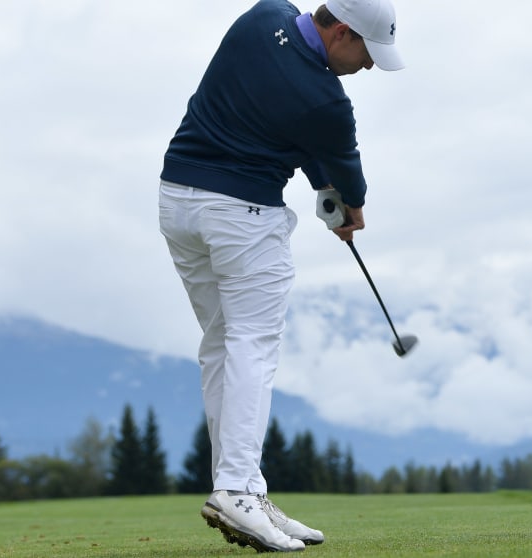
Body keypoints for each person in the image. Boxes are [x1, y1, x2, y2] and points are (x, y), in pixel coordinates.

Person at [158, 0, 403, 552]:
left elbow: (294, 122)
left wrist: (323, 186)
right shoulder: (328, 101)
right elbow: (344, 168)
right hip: (241, 217)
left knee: (221, 343)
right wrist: (349, 206)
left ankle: (246, 487)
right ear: (342, 32)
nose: (368, 66)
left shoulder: (262, 15)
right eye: (367, 52)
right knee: (252, 343)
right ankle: (236, 490)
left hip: (178, 203)